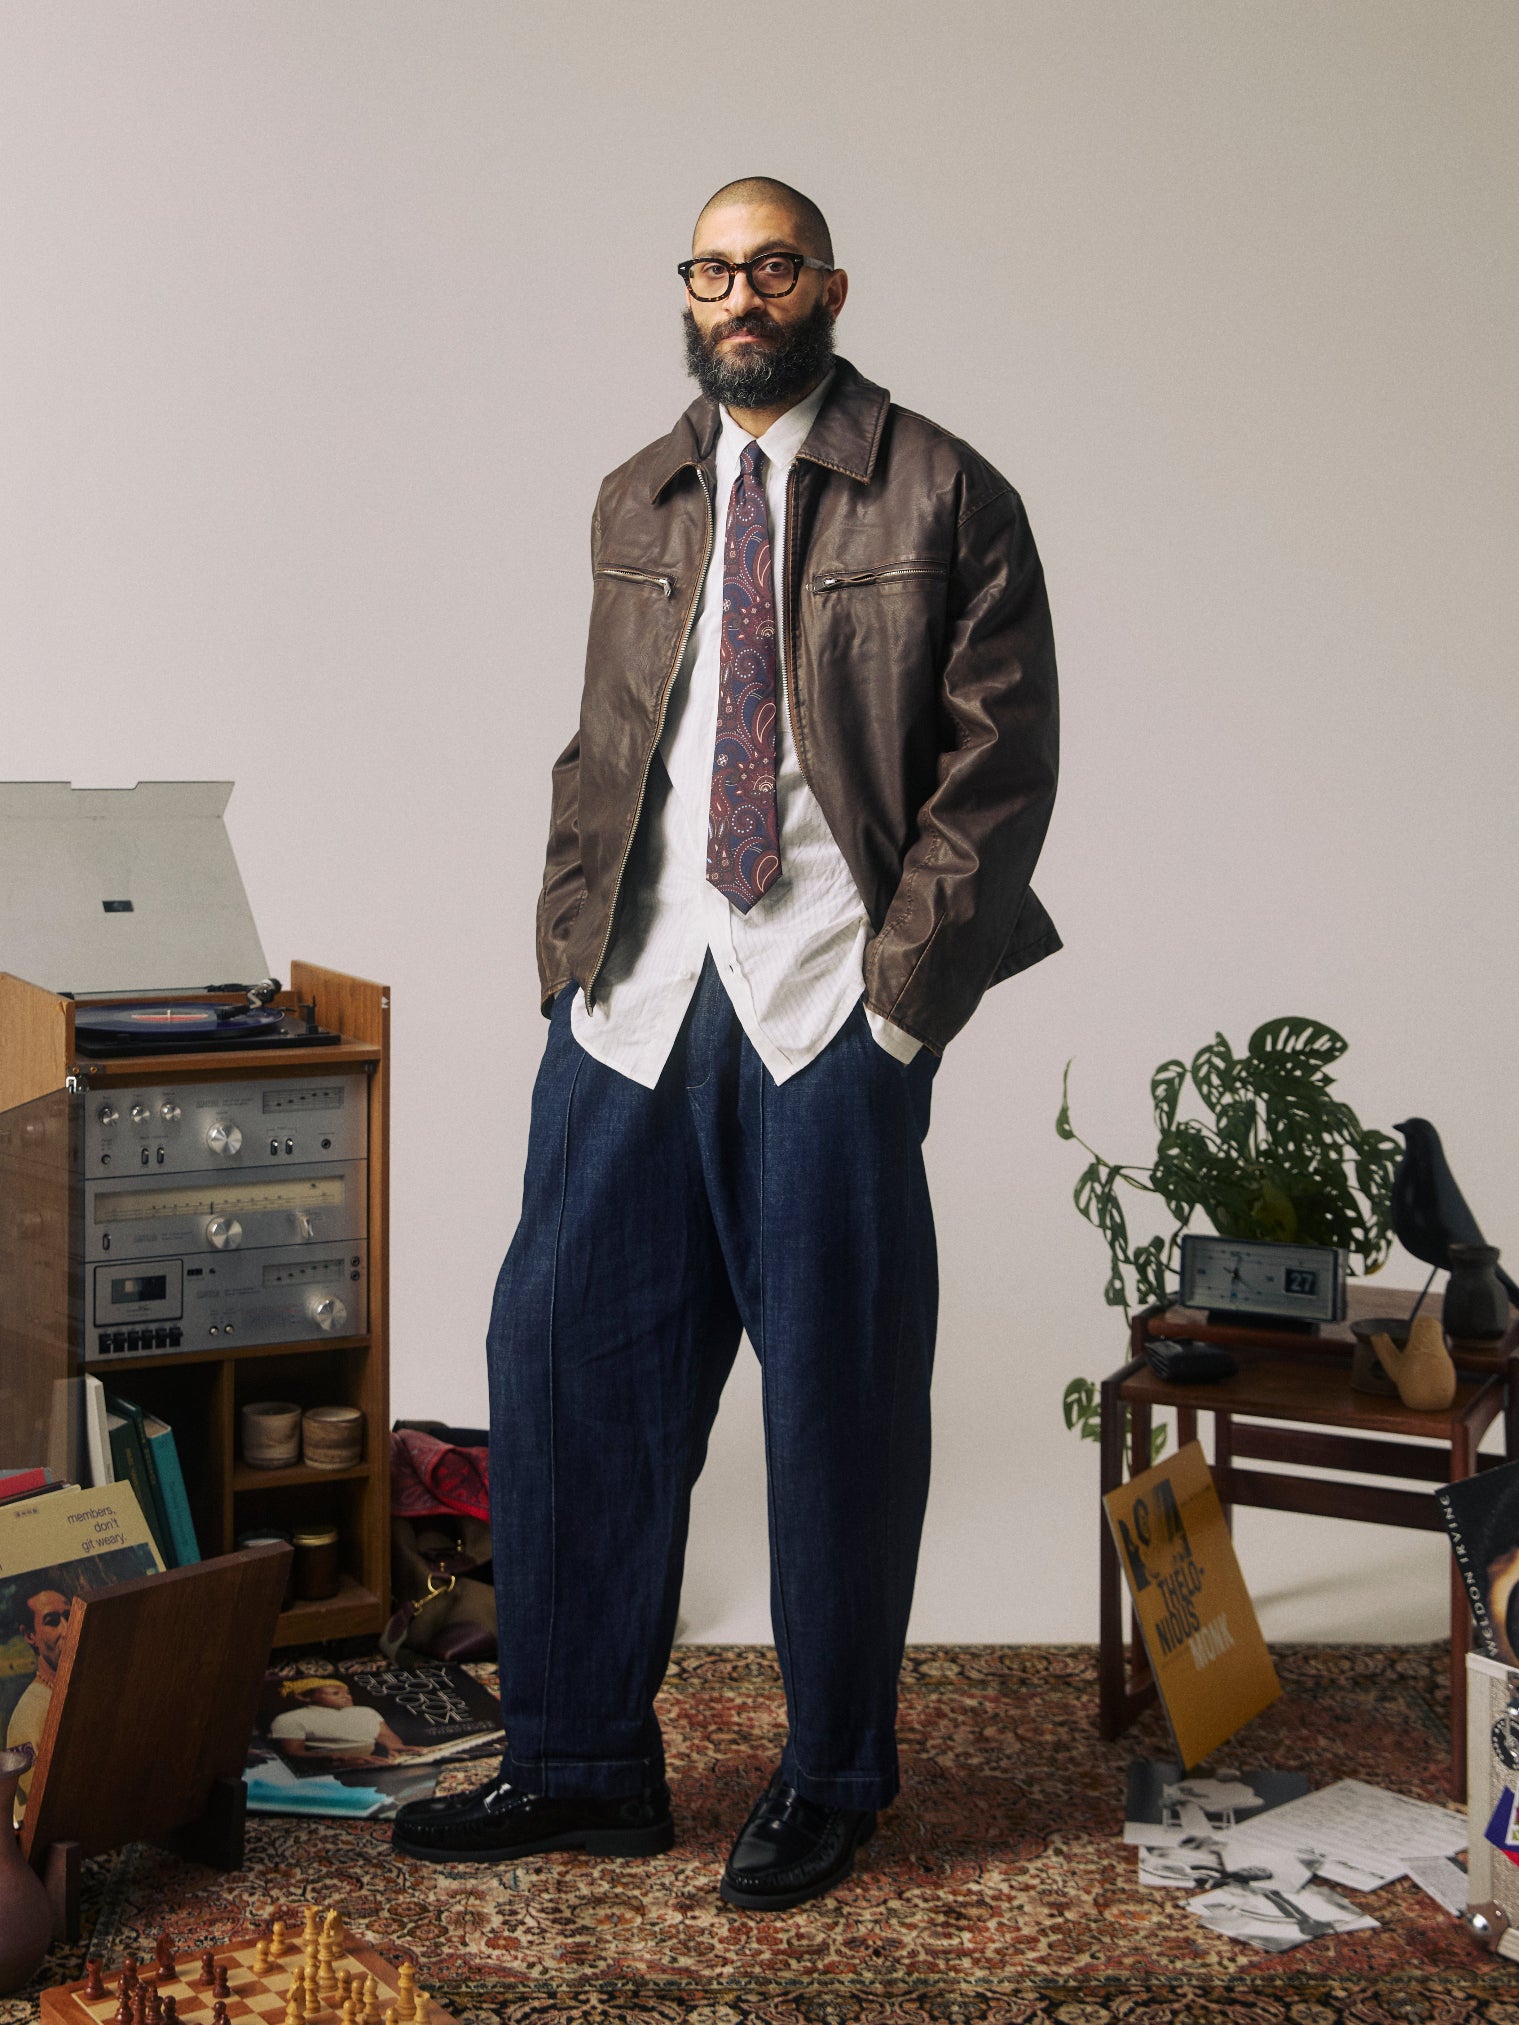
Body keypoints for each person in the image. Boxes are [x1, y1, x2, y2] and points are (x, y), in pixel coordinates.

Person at [393, 176, 1060, 1908]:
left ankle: (828, 1775)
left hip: (822, 1003)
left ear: (824, 284)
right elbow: (603, 746)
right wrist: (563, 953)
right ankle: (579, 1763)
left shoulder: (944, 493)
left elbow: (993, 788)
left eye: (769, 266)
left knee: (836, 1406)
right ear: (683, 294)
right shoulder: (641, 491)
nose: (738, 296)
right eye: (711, 270)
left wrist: (895, 1016)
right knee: (561, 1380)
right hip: (630, 1000)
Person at [6, 1585, 71, 1820]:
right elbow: (43, 1805)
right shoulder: (28, 1716)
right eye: (52, 1621)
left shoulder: (88, 1687)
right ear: (30, 1635)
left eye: (69, 1616)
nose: (68, 1629)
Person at [269, 1677, 409, 1767]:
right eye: (335, 1694)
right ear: (305, 1697)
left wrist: (395, 1747)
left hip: (373, 1760)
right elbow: (293, 1753)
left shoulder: (365, 1711)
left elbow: (385, 1735)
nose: (347, 1697)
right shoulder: (290, 1719)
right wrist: (336, 1758)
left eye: (347, 1693)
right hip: (328, 1767)